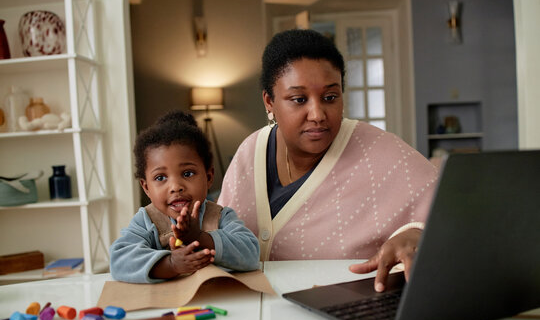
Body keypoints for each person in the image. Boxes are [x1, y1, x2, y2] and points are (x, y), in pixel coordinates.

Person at [218, 29, 438, 292]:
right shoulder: (250, 151)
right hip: (246, 312)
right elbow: (221, 231)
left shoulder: (382, 151)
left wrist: (416, 234)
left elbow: (450, 213)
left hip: (344, 314)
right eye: (299, 100)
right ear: (269, 101)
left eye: (330, 98)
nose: (318, 114)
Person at [110, 111, 260, 283]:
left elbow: (251, 254)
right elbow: (119, 260)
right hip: (169, 306)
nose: (176, 187)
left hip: (217, 301)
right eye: (160, 178)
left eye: (188, 173)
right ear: (146, 187)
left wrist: (200, 237)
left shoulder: (220, 217)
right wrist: (171, 264)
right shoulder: (146, 221)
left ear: (209, 177)